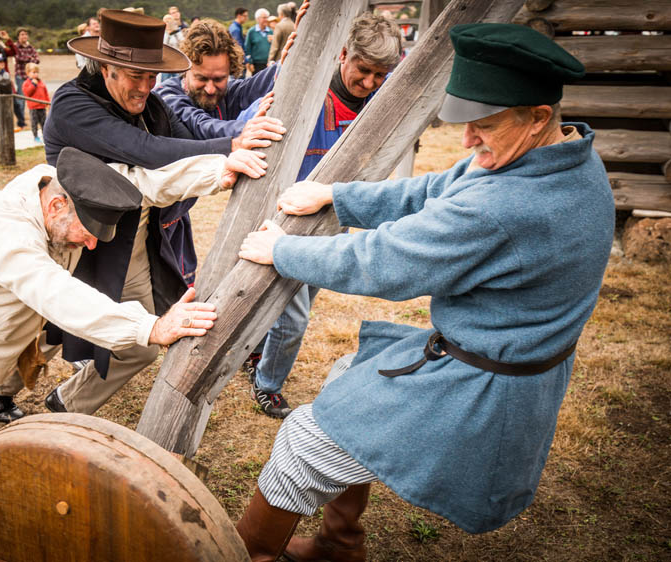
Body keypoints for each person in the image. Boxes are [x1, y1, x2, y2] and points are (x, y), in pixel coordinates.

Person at [233, 23, 615, 560]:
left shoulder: (512, 204)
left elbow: (386, 263)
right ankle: (338, 547)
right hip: (487, 357)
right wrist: (338, 197)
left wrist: (282, 252)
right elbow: (440, 186)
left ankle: (252, 554)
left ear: (538, 118)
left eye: (482, 125)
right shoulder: (564, 156)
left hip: (482, 386)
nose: (466, 139)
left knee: (304, 443)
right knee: (348, 376)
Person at [0, 144, 267, 482]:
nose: (88, 247)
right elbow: (55, 294)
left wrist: (216, 170)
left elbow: (140, 182)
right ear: (55, 209)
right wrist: (150, 326)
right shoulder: (4, 228)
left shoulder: (68, 185)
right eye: (83, 235)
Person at [161, 12, 400, 419]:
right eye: (364, 71)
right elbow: (245, 119)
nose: (370, 83)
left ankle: (256, 351)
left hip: (330, 219)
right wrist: (242, 130)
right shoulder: (306, 92)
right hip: (283, 220)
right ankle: (268, 383)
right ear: (343, 55)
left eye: (381, 75)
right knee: (293, 314)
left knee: (303, 296)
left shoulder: (379, 101)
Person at [42, 9, 281, 415]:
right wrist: (231, 145)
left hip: (128, 242)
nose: (145, 87)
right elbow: (146, 152)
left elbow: (191, 134)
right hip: (69, 239)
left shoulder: (151, 105)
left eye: (151, 76)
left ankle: (66, 403)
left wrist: (234, 137)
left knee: (142, 342)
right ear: (106, 67)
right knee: (42, 327)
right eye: (136, 76)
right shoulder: (72, 104)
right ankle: (3, 384)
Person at [155, 18, 281, 142]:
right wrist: (245, 128)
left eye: (219, 79)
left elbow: (258, 83)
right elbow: (200, 124)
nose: (210, 89)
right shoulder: (166, 96)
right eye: (201, 78)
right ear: (185, 69)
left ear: (229, 71)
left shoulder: (229, 92)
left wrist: (287, 62)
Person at [13, 28, 40, 131]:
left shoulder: (30, 47)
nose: (24, 36)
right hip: (20, 75)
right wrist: (30, 59)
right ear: (18, 37)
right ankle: (21, 122)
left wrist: (28, 59)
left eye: (26, 34)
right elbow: (19, 58)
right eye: (22, 34)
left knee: (32, 97)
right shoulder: (16, 47)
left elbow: (37, 59)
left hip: (30, 77)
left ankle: (33, 120)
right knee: (20, 99)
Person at [22, 62, 49, 144]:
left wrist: (47, 102)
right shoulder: (26, 83)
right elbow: (27, 93)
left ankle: (45, 136)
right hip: (33, 107)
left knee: (44, 122)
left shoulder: (41, 82)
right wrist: (33, 85)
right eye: (33, 72)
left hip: (42, 106)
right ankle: (35, 136)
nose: (36, 74)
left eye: (37, 72)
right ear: (28, 73)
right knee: (34, 123)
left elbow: (45, 93)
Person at [244, 9, 273, 74]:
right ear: (258, 19)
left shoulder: (271, 31)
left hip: (269, 63)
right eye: (264, 18)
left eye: (267, 17)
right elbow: (247, 48)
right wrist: (250, 63)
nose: (266, 19)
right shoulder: (251, 32)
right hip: (256, 64)